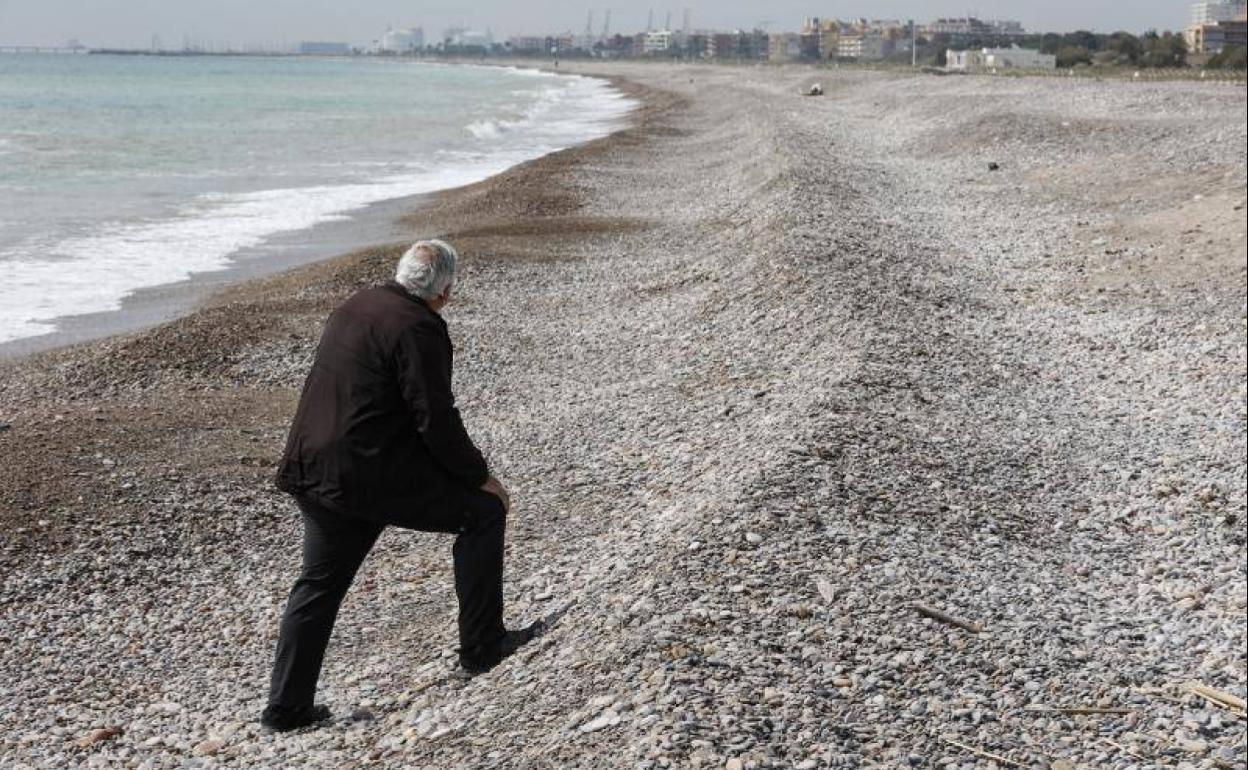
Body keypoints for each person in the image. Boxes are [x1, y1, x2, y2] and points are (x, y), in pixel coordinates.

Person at [261, 239, 538, 732]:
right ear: (445, 291)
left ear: (401, 273)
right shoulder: (419, 328)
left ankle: (286, 708)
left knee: (319, 584)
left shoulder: (356, 304)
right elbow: (435, 418)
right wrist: (482, 477)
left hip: (312, 462)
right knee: (483, 512)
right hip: (362, 474)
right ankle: (482, 647)